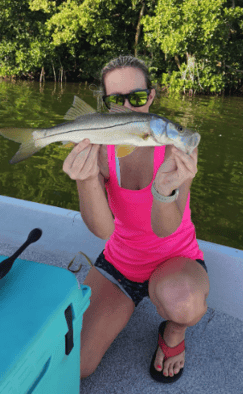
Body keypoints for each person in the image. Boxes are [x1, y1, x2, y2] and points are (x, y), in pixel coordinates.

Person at [63, 55, 210, 384]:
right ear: (105, 104)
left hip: (175, 259)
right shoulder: (101, 148)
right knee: (77, 363)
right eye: (116, 99)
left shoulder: (178, 145)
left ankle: (173, 332)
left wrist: (162, 190)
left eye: (138, 97)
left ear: (152, 97)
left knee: (182, 302)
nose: (128, 106)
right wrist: (85, 180)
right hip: (120, 261)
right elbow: (103, 229)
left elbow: (165, 228)